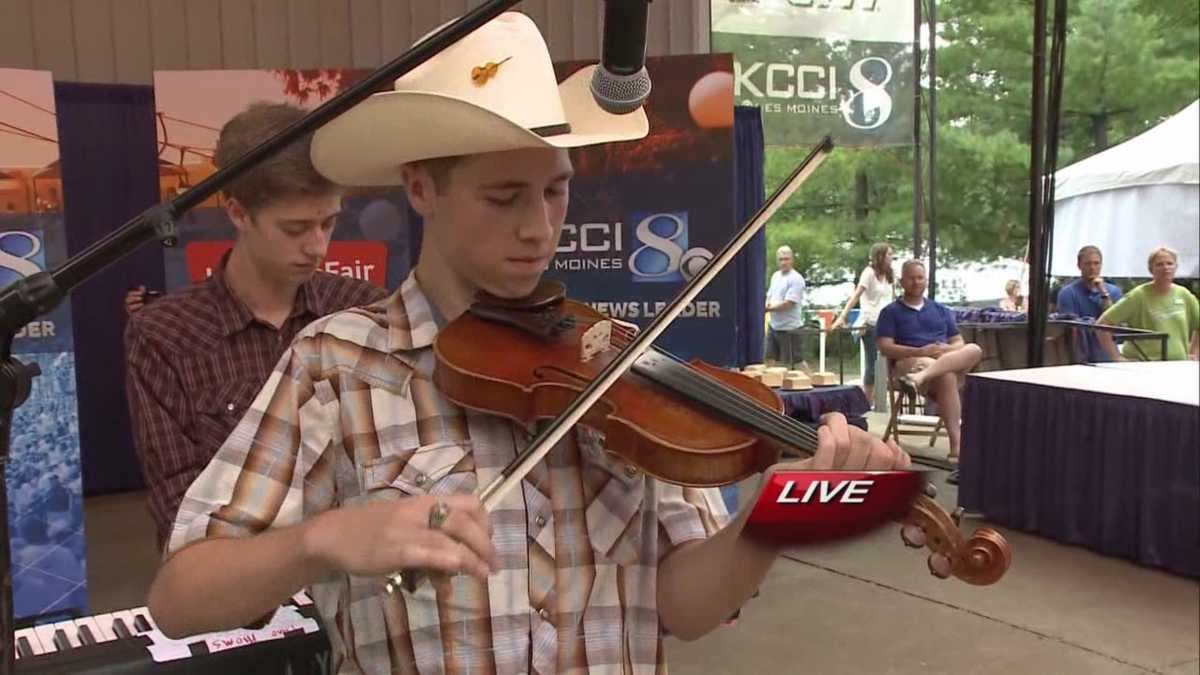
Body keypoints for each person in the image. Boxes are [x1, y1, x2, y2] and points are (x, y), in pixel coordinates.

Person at [146, 13, 911, 674]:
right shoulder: (337, 363)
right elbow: (180, 599)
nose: (539, 228)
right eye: (504, 197)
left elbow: (684, 604)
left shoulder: (615, 361)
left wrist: (777, 516)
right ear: (421, 187)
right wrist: (322, 539)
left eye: (555, 189)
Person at [124, 102, 388, 548]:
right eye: (295, 228)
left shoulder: (365, 310)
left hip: (358, 581)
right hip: (238, 587)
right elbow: (179, 509)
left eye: (329, 223)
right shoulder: (164, 335)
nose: (318, 246)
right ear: (237, 213)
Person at [876, 260, 983, 462]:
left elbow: (958, 341)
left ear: (926, 280)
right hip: (910, 360)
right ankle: (957, 445)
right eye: (911, 278)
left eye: (920, 277)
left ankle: (920, 378)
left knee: (974, 349)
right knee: (947, 377)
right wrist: (919, 350)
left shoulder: (940, 310)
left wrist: (946, 349)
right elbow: (885, 347)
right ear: (902, 281)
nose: (916, 282)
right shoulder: (890, 312)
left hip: (939, 361)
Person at [1097, 246, 1199, 361]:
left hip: (1178, 365)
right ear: (1151, 269)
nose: (1165, 268)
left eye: (1169, 263)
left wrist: (1194, 352)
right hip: (1146, 366)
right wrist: (1117, 357)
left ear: (1176, 267)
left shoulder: (1184, 295)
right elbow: (1102, 325)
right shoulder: (1138, 296)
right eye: (1159, 264)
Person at [831, 243, 894, 398]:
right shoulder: (869, 273)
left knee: (888, 362)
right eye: (889, 255)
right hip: (870, 322)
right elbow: (856, 295)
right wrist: (842, 316)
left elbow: (891, 298)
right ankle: (868, 399)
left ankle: (882, 397)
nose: (891, 258)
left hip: (887, 322)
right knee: (872, 363)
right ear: (880, 256)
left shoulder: (889, 274)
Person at [1055, 245, 1123, 362]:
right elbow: (1070, 329)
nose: (1092, 267)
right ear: (1079, 265)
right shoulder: (1067, 293)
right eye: (1088, 264)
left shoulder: (1113, 291)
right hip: (1078, 356)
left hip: (1107, 355)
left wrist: (1104, 294)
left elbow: (1114, 323)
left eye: (1096, 263)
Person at [764, 245, 807, 370]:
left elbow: (789, 303)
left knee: (796, 363)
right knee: (769, 358)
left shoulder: (796, 279)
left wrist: (769, 309)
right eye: (781, 259)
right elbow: (770, 295)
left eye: (786, 259)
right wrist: (766, 303)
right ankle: (771, 386)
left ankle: (812, 384)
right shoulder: (775, 276)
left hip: (790, 328)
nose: (784, 262)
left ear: (792, 260)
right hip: (774, 326)